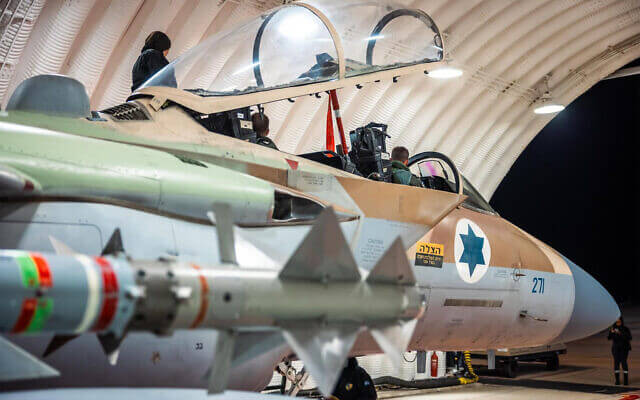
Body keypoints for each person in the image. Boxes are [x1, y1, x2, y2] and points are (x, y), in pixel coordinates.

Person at [609, 317, 632, 385]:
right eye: (617, 322)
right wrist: (612, 332)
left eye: (619, 322)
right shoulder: (613, 328)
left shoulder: (625, 329)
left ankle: (626, 380)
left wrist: (620, 333)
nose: (618, 323)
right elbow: (609, 338)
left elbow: (629, 337)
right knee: (616, 363)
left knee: (624, 362)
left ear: (621, 322)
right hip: (615, 349)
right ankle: (617, 380)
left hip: (624, 348)